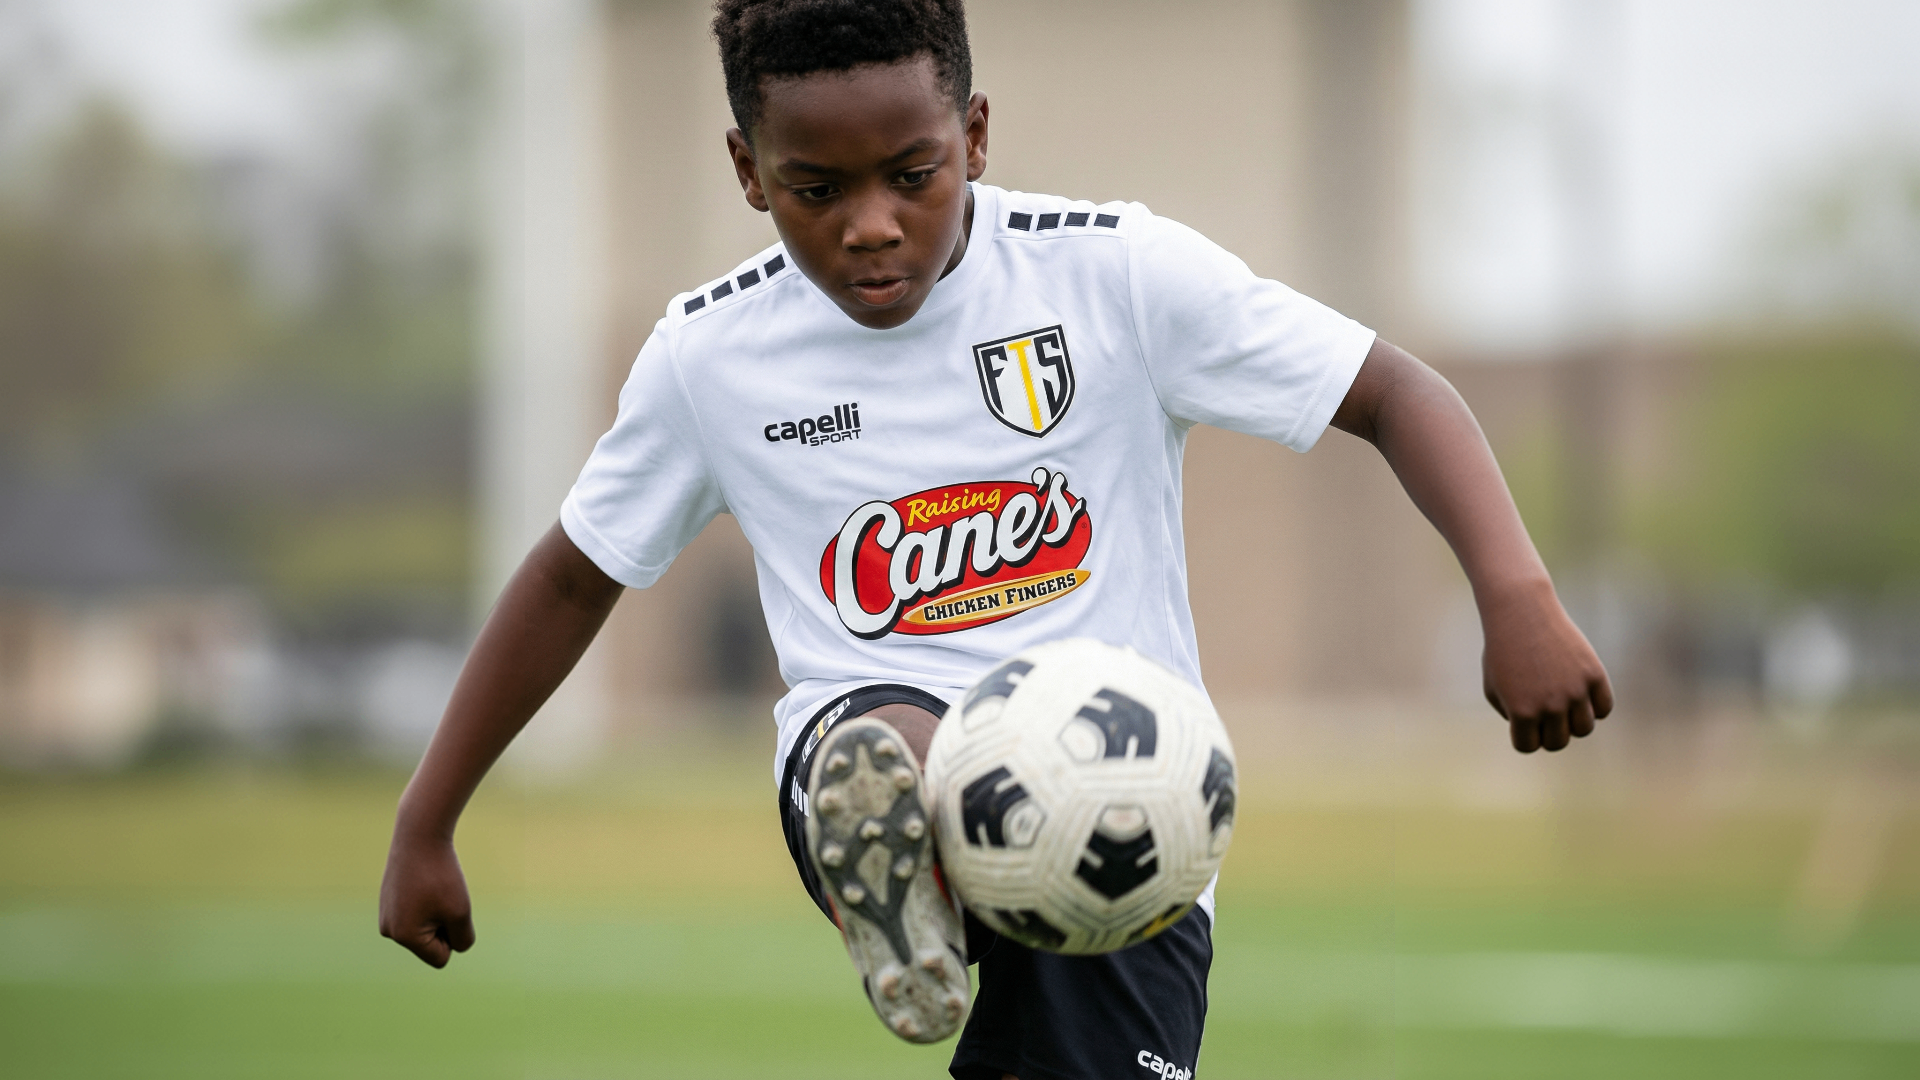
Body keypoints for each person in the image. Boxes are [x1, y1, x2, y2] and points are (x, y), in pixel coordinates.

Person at [378, 1, 1615, 1076]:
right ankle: (900, 874)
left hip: (1130, 815)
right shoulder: (710, 355)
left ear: (973, 135)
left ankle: (934, 892)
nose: (870, 224)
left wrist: (1513, 591)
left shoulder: (1113, 276)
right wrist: (426, 820)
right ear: (749, 172)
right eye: (817, 189)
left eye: (910, 174)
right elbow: (570, 575)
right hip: (862, 752)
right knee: (893, 739)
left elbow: (1394, 391)